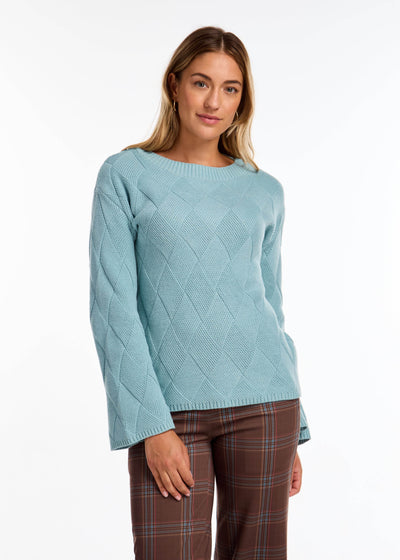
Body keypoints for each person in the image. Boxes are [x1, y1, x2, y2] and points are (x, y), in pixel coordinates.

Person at [89, 25, 311, 560]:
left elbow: (271, 305)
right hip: (170, 414)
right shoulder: (125, 176)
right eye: (201, 83)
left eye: (230, 88)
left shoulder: (264, 189)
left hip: (266, 406)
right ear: (174, 85)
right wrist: (150, 425)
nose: (214, 102)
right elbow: (112, 308)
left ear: (242, 100)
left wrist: (296, 427)